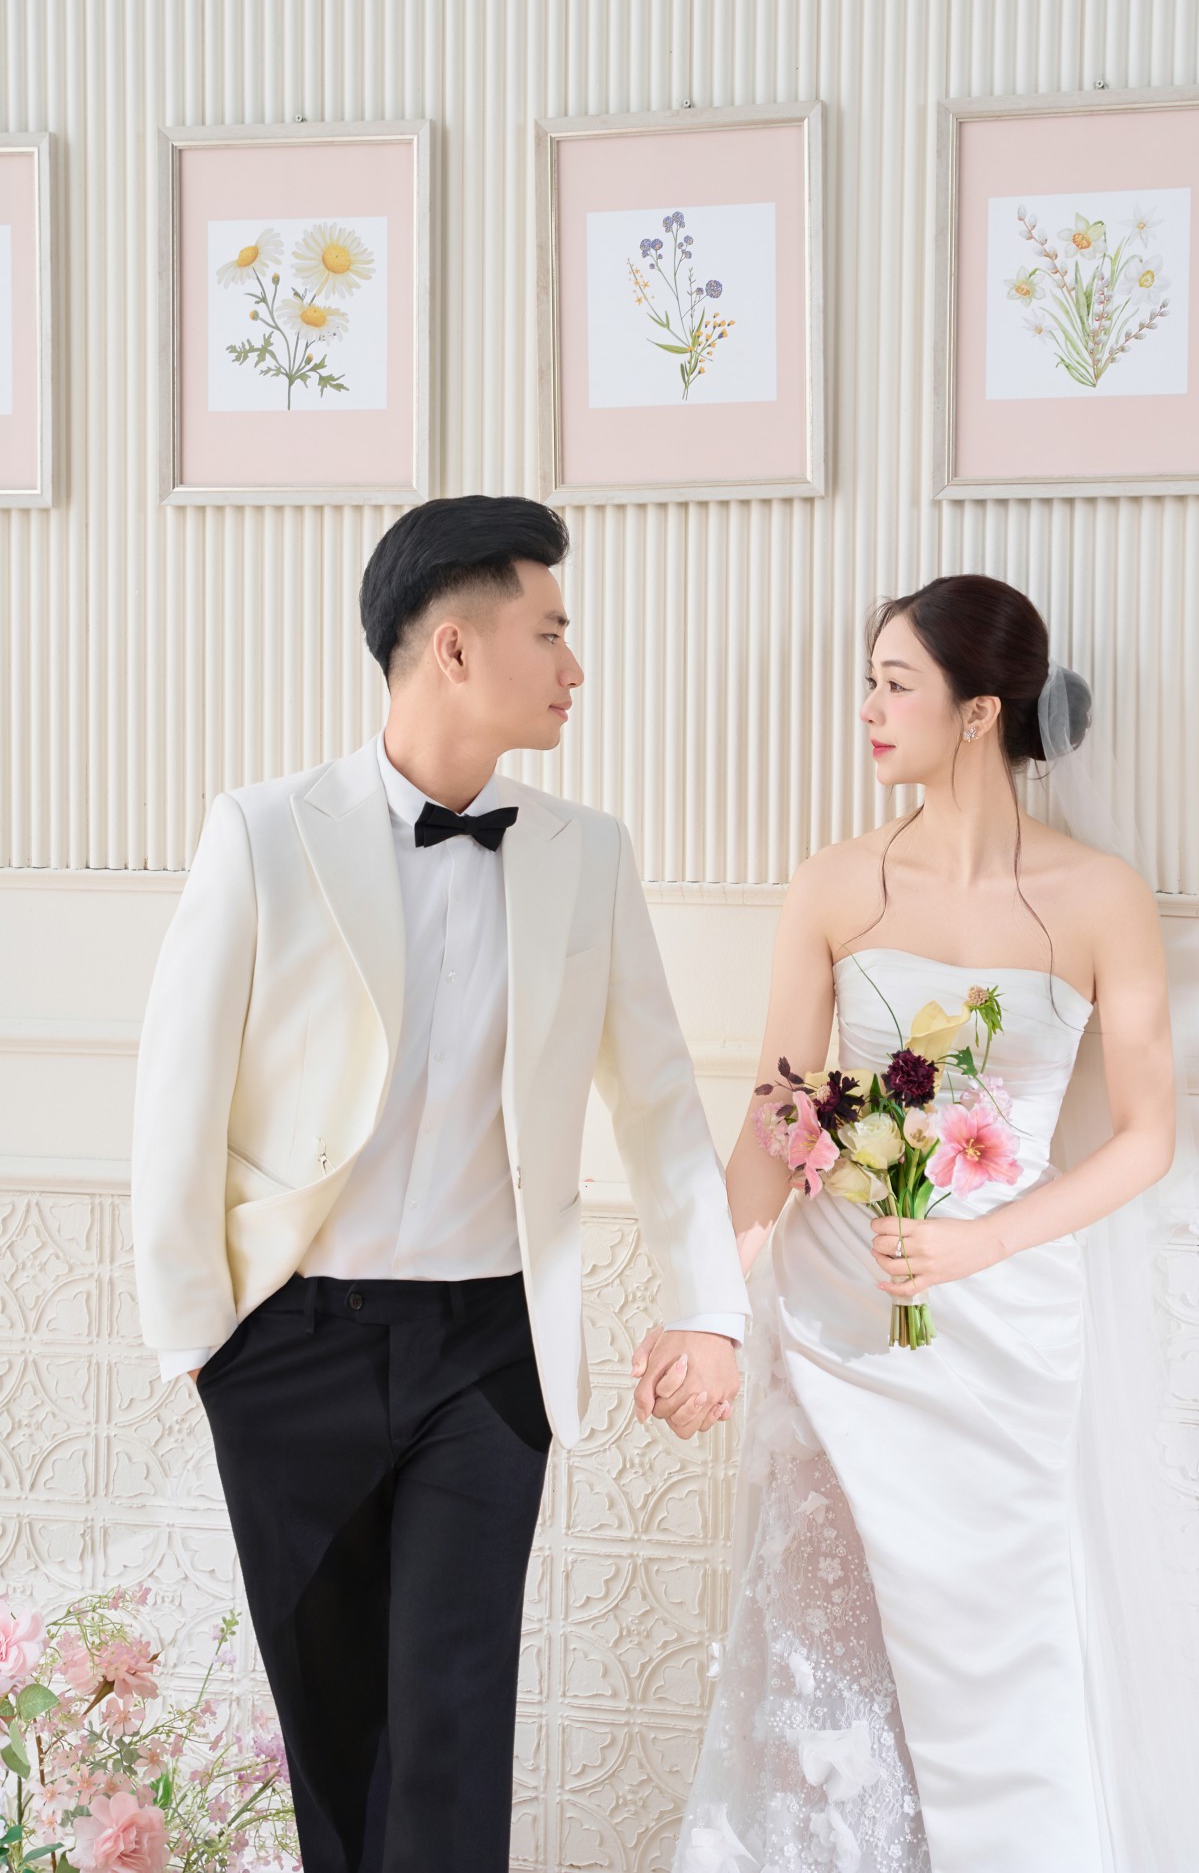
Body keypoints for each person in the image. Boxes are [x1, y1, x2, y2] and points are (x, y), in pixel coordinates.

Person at [129, 494, 750, 1873]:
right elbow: (177, 1095)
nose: (575, 667)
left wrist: (711, 1306)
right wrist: (201, 1343)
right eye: (552, 632)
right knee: (338, 1744)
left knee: (454, 1728)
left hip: (487, 1353)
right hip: (292, 1345)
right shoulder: (265, 832)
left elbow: (657, 1098)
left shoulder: (588, 853)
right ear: (456, 649)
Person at [665, 575, 1199, 1872]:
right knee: (817, 1655)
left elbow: (1147, 1137)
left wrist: (982, 1242)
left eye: (893, 684)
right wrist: (711, 1310)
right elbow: (778, 1114)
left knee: (1001, 1658)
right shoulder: (834, 884)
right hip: (835, 1320)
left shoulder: (1099, 896)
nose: (866, 709)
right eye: (866, 681)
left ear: (979, 714)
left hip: (1007, 1332)